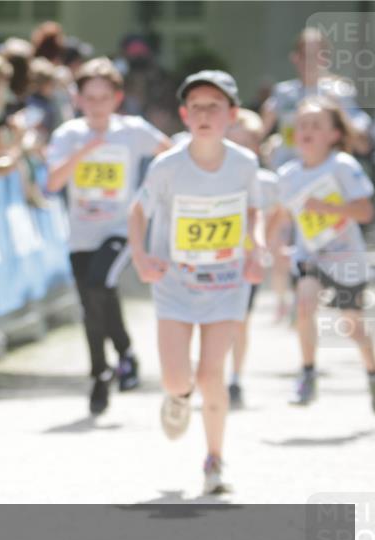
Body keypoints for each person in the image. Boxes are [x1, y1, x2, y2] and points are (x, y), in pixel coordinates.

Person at [128, 71, 263, 495]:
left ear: (232, 115)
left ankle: (214, 461)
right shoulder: (168, 166)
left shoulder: (245, 164)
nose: (205, 115)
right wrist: (141, 257)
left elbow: (253, 212)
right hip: (175, 283)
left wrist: (255, 248)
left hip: (225, 284)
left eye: (215, 107)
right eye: (197, 107)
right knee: (175, 378)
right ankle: (178, 398)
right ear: (185, 115)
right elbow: (137, 213)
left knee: (211, 375)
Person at [46, 57, 170, 416]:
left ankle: (125, 351)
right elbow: (53, 182)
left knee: (101, 283)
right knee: (91, 305)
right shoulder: (68, 135)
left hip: (120, 229)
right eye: (90, 97)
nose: (97, 105)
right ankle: (102, 372)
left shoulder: (133, 131)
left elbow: (172, 156)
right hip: (81, 235)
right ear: (78, 98)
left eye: (104, 97)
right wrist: (82, 153)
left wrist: (152, 195)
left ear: (117, 98)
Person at [272, 97, 375, 411]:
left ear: (334, 134)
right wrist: (270, 242)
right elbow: (280, 214)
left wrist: (328, 207)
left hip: (346, 258)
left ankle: (372, 374)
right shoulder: (288, 173)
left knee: (353, 327)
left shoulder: (342, 166)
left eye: (316, 125)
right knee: (304, 303)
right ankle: (307, 373)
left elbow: (365, 212)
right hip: (311, 256)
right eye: (302, 124)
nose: (306, 130)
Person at [223, 109, 280, 409]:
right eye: (232, 142)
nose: (239, 150)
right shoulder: (212, 177)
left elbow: (280, 212)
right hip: (215, 261)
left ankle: (235, 378)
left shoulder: (267, 182)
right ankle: (211, 371)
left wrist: (265, 244)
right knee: (214, 321)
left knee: (240, 322)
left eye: (246, 143)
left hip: (247, 264)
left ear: (256, 147)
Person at [261, 28, 372, 169]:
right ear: (295, 57)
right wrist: (268, 141)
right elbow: (259, 134)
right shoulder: (283, 93)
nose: (312, 61)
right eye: (306, 55)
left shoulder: (339, 92)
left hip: (326, 174)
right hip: (287, 171)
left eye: (317, 55)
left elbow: (363, 145)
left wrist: (340, 111)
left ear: (326, 58)